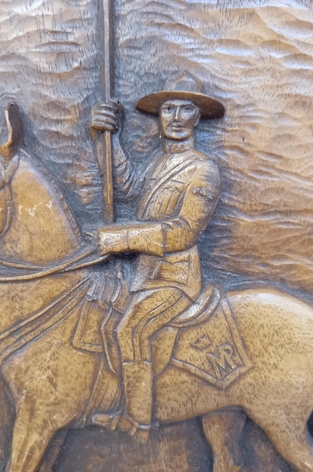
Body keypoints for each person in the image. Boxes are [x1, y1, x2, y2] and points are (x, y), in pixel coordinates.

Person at [89, 71, 225, 441]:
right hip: (142, 277)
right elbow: (128, 186)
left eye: (185, 109)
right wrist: (106, 139)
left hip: (176, 280)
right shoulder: (157, 163)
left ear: (198, 118)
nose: (176, 118)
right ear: (160, 117)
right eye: (168, 110)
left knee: (131, 329)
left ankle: (138, 421)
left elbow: (184, 231)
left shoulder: (203, 170)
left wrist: (123, 238)